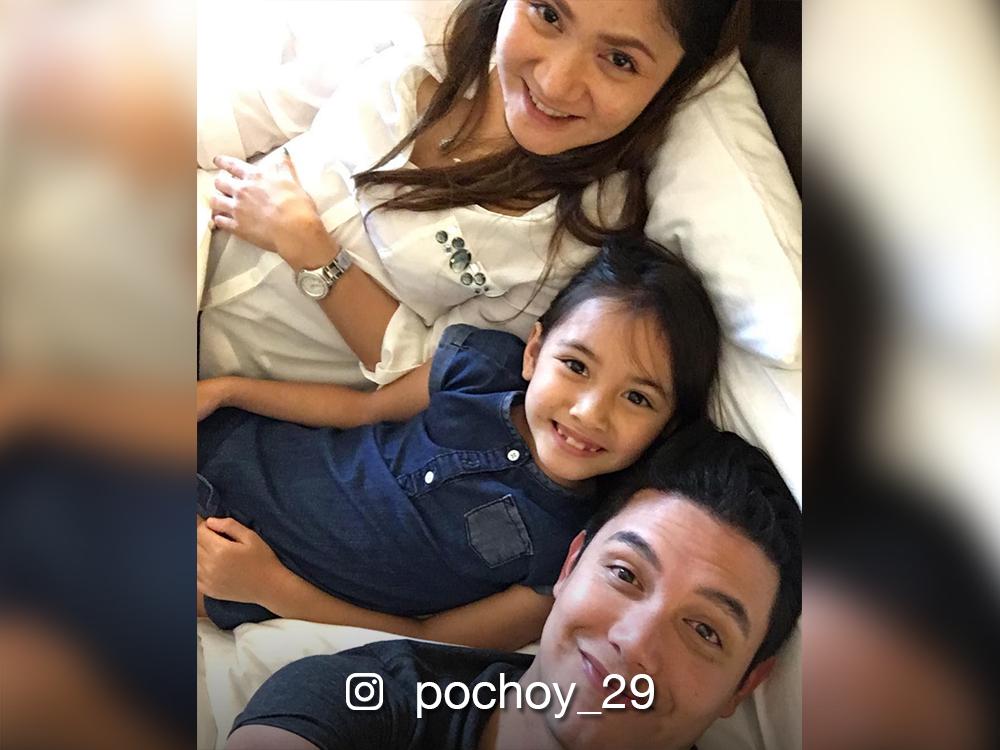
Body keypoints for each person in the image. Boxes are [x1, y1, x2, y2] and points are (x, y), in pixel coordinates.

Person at [196, 237, 721, 651]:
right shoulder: (480, 368)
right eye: (575, 366)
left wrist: (270, 588)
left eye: (637, 398)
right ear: (535, 352)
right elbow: (360, 409)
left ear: (667, 428)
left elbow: (427, 639)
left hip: (245, 572)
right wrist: (227, 391)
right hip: (233, 449)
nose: (589, 412)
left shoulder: (571, 554)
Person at [200, 0, 746, 390]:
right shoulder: (425, 34)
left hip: (232, 387)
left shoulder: (579, 236)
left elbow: (432, 372)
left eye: (620, 60)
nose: (555, 82)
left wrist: (314, 254)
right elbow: (254, 114)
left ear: (671, 86)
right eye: (548, 14)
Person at [222, 421, 802, 750]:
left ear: (745, 686)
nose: (634, 642)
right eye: (625, 574)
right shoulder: (368, 701)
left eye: (704, 630)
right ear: (569, 567)